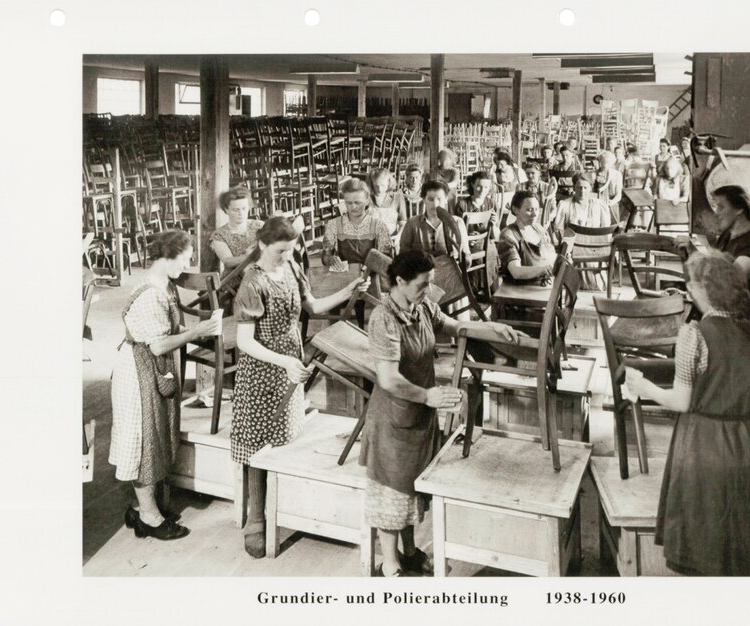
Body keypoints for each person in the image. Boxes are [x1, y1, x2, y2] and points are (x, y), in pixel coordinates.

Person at [360, 250, 525, 576]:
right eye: (422, 285)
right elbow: (389, 379)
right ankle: (389, 566)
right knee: (392, 493)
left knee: (411, 489)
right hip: (393, 416)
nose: (427, 291)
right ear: (400, 281)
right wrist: (428, 395)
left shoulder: (419, 305)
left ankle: (409, 553)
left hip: (418, 412)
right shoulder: (384, 318)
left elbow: (452, 325)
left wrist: (491, 328)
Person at [624, 250, 750, 576]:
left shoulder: (693, 334)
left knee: (704, 548)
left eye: (690, 284)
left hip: (703, 446)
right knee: (741, 553)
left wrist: (642, 386)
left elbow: (681, 401)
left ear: (701, 292)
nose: (687, 289)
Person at [232, 216, 370, 558]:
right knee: (257, 444)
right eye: (280, 251)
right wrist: (284, 363)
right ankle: (255, 520)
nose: (286, 256)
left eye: (291, 250)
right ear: (263, 246)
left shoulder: (292, 267)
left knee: (283, 439)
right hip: (262, 371)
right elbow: (244, 341)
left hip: (291, 363)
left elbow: (313, 307)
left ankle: (284, 508)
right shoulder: (252, 281)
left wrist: (348, 289)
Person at [110, 229, 222, 541]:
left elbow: (162, 333)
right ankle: (149, 518)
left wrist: (193, 329)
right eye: (185, 260)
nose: (185, 267)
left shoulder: (162, 283)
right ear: (169, 256)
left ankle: (141, 508)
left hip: (145, 366)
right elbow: (159, 345)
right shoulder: (153, 293)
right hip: (137, 372)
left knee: (152, 439)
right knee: (143, 443)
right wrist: (197, 331)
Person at [678, 185, 750, 297]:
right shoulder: (727, 235)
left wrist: (697, 252)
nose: (716, 213)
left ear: (739, 209)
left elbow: (729, 284)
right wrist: (687, 255)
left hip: (743, 311)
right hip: (718, 306)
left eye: (721, 207)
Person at [321, 178, 392, 267]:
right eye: (349, 203)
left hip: (371, 276)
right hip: (345, 276)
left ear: (367, 201)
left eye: (357, 202)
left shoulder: (379, 226)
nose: (353, 207)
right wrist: (330, 259)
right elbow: (325, 256)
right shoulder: (334, 225)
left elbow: (386, 260)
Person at [496, 190, 556, 286]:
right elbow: (516, 272)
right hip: (518, 288)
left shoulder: (539, 229)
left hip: (540, 283)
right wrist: (543, 269)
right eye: (529, 210)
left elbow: (551, 255)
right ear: (515, 210)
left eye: (536, 209)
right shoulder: (508, 235)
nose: (535, 214)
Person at [400, 180, 469, 259]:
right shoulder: (412, 223)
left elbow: (466, 255)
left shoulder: (457, 222)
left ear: (446, 199)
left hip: (449, 268)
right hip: (421, 269)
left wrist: (463, 257)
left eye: (439, 199)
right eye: (430, 199)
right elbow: (403, 254)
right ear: (424, 200)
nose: (435, 204)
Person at [210, 185, 264, 270]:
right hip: (234, 278)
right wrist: (252, 255)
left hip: (261, 274)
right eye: (236, 210)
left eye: (244, 208)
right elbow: (228, 262)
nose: (241, 213)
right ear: (227, 210)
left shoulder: (259, 226)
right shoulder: (220, 235)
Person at [452, 171, 499, 237]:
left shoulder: (493, 204)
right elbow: (456, 232)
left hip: (486, 242)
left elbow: (496, 236)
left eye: (486, 187)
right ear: (472, 184)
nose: (482, 190)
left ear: (490, 187)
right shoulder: (462, 205)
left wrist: (493, 225)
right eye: (479, 186)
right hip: (465, 242)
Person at [367, 167, 408, 239]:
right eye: (376, 186)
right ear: (372, 184)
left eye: (382, 185)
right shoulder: (366, 198)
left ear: (389, 183)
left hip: (391, 239)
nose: (379, 189)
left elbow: (402, 222)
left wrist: (398, 236)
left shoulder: (397, 197)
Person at [518, 162, 557, 226]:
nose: (530, 176)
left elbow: (553, 208)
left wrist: (549, 217)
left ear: (539, 173)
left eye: (533, 173)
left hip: (541, 219)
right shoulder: (520, 187)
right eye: (527, 173)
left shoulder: (547, 187)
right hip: (524, 219)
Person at [593, 150, 623, 224]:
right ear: (600, 162)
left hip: (611, 202)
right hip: (596, 201)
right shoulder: (594, 173)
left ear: (612, 163)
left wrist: (612, 202)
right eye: (603, 162)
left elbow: (618, 195)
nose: (605, 165)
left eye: (608, 163)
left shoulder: (617, 175)